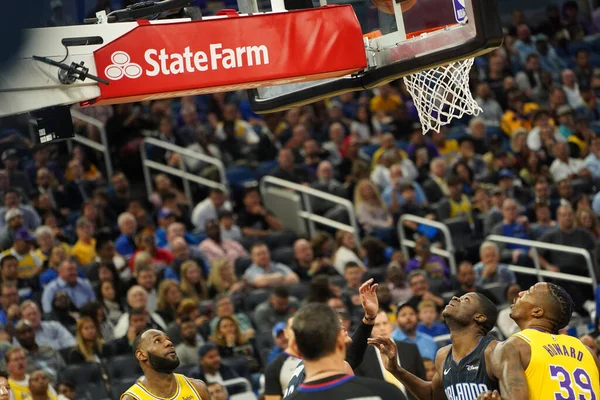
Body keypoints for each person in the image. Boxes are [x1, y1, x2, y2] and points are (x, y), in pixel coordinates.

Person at [479, 282, 600, 400]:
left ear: (537, 312)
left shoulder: (514, 346)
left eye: (529, 292)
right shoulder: (587, 351)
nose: (520, 293)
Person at [369, 292, 500, 400]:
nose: (455, 298)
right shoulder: (443, 356)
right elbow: (432, 396)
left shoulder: (495, 351)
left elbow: (518, 393)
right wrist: (395, 369)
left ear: (480, 317)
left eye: (465, 299)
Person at [284, 303, 404, 400]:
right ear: (341, 343)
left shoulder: (298, 375)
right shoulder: (384, 393)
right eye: (340, 327)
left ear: (296, 347)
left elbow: (353, 357)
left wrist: (369, 318)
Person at [284, 279, 379, 397]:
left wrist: (369, 317)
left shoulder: (310, 365)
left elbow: (352, 357)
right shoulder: (334, 371)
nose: (341, 323)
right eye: (335, 324)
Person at [120, 328, 210, 400]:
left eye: (168, 339)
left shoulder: (197, 388)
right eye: (157, 341)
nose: (169, 343)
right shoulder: (132, 398)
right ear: (141, 355)